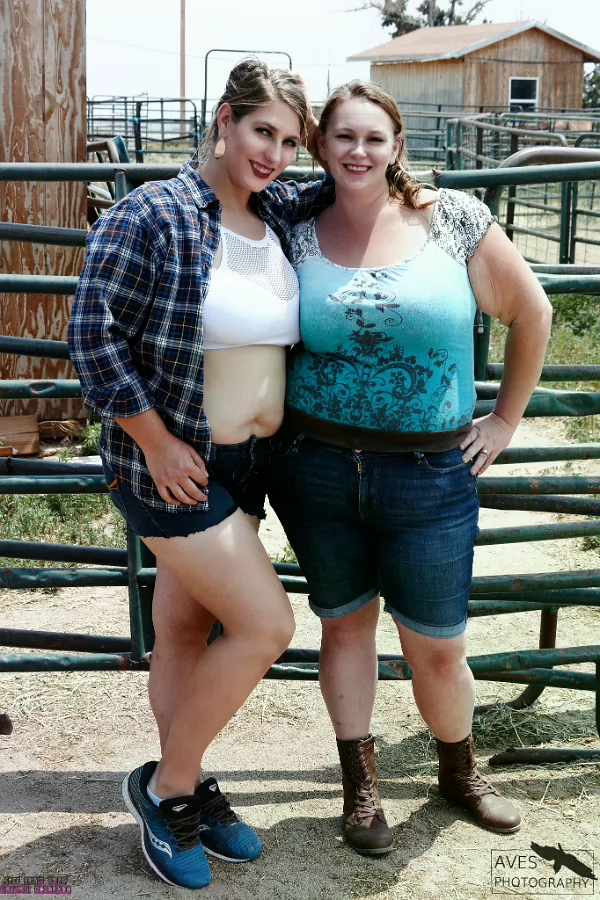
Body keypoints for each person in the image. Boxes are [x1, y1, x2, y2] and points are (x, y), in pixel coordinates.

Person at [68, 60, 333, 890]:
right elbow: (92, 332)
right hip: (176, 464)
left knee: (185, 631)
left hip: (248, 465)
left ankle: (186, 781)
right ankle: (166, 789)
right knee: (266, 626)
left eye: (290, 142)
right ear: (225, 119)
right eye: (262, 131)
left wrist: (419, 193)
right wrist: (153, 441)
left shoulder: (276, 211)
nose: (275, 154)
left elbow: (358, 176)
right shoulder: (156, 211)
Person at [269, 80, 552, 856]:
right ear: (321, 146)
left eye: (374, 137)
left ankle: (459, 772)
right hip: (318, 469)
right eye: (343, 136)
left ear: (397, 145)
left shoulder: (451, 219)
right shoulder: (294, 225)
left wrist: (503, 421)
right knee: (344, 629)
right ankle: (360, 786)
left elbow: (533, 312)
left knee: (437, 645)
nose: (358, 151)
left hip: (430, 474)